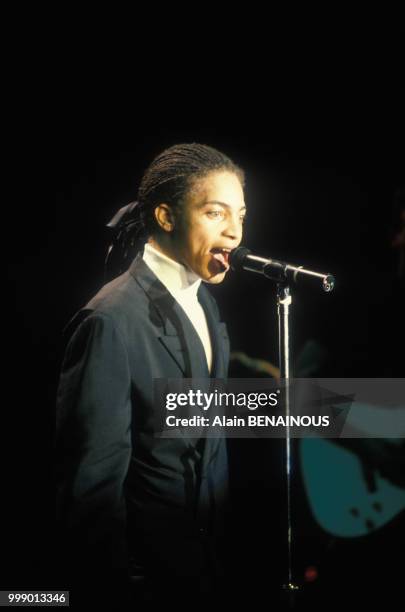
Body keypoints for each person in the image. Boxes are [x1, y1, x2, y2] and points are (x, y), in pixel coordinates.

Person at [54, 143, 246, 609]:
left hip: (206, 571)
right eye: (216, 213)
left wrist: (364, 414)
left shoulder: (205, 303)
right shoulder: (110, 320)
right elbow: (92, 488)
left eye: (241, 214)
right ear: (165, 216)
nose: (236, 232)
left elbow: (197, 423)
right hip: (146, 583)